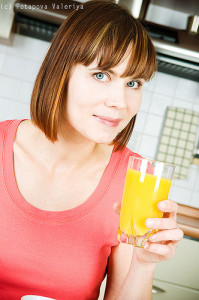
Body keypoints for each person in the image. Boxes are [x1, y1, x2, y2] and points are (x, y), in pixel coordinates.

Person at [0, 1, 183, 299]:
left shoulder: (136, 181)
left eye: (134, 83)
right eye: (101, 75)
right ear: (61, 72)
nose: (120, 102)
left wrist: (143, 266)